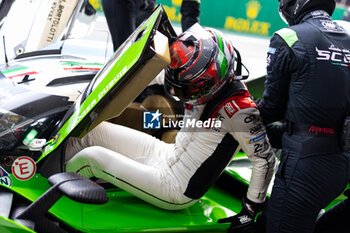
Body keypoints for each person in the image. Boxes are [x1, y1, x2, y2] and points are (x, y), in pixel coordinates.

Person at [64, 24, 275, 229]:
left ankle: (47, 199)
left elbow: (265, 160)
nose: (187, 94)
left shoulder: (241, 111)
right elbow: (143, 75)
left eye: (192, 88)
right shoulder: (191, 76)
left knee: (93, 157)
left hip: (176, 187)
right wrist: (93, 93)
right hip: (165, 154)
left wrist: (249, 210)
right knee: (89, 132)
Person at [256, 0, 350, 232]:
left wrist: (238, 114)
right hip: (342, 164)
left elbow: (270, 110)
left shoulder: (288, 37)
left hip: (305, 166)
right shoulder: (348, 37)